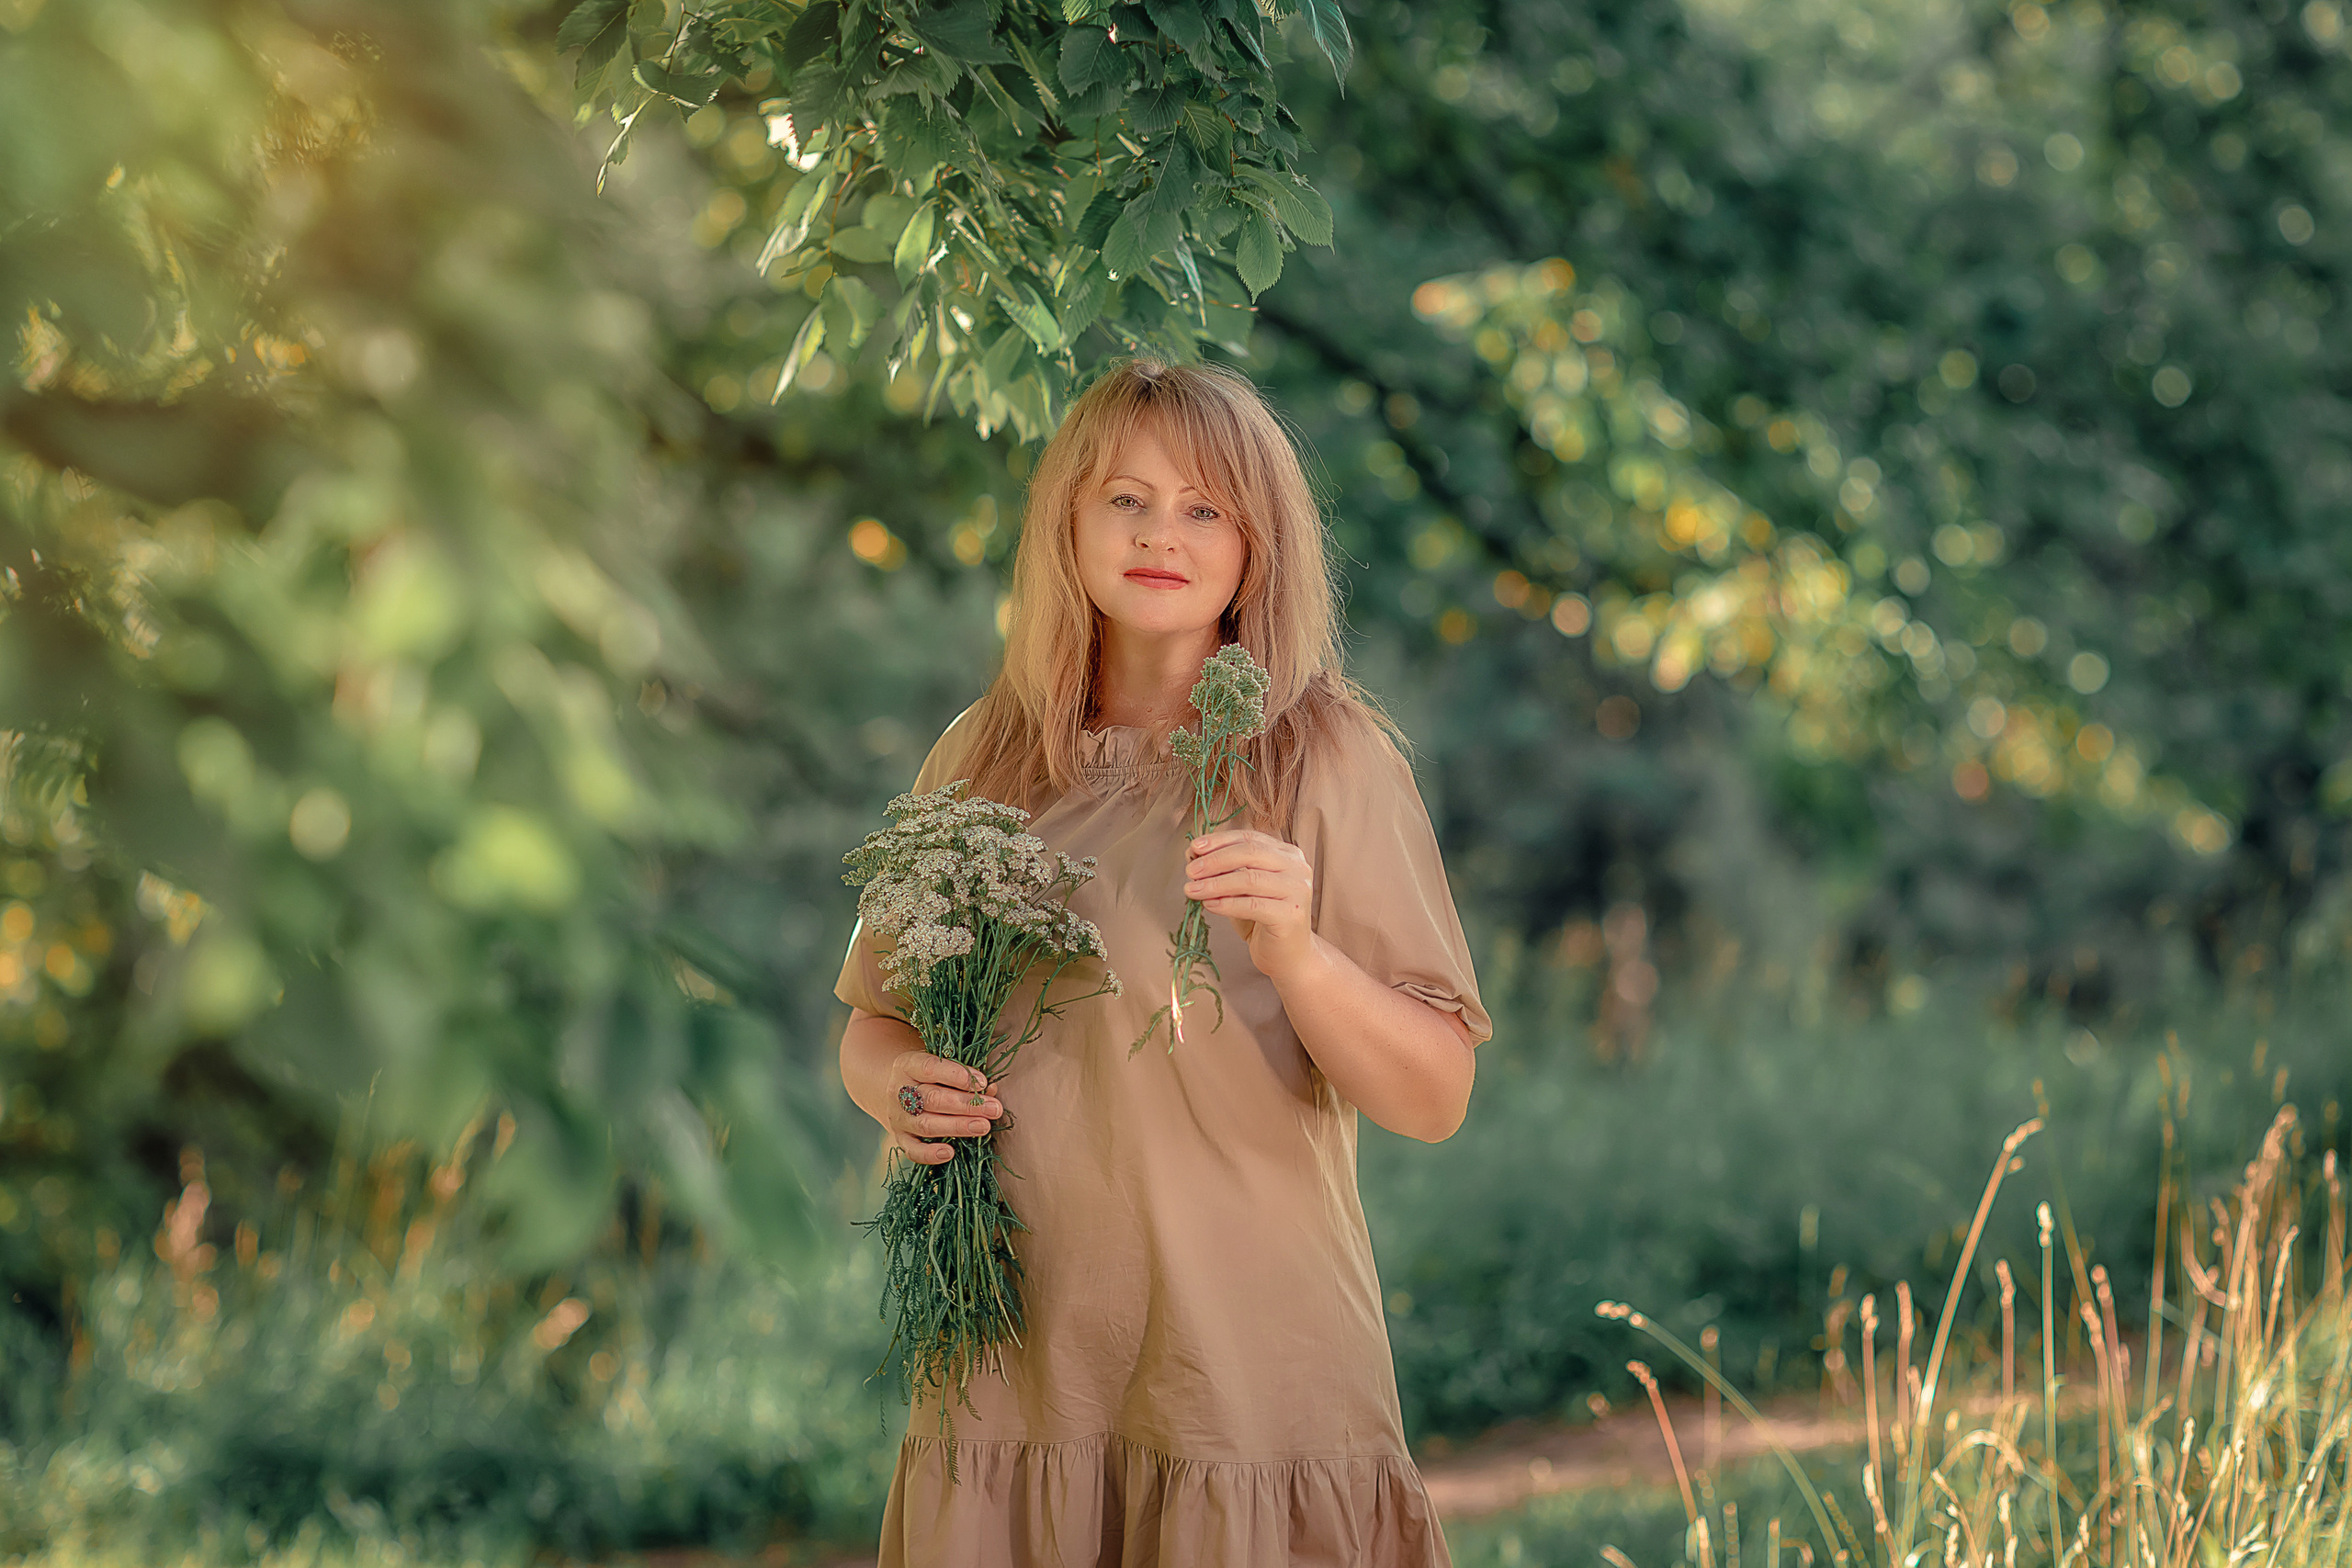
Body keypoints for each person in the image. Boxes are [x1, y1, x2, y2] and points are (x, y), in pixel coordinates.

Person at [834, 357, 1491, 1566]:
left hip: (1236, 1372)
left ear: (1258, 545)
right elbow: (873, 1021)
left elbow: (1436, 1092)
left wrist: (1296, 952)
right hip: (1012, 1363)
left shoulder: (1325, 759)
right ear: (1068, 523)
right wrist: (897, 1089)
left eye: (1204, 508)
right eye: (1123, 499)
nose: (1159, 535)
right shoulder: (981, 758)